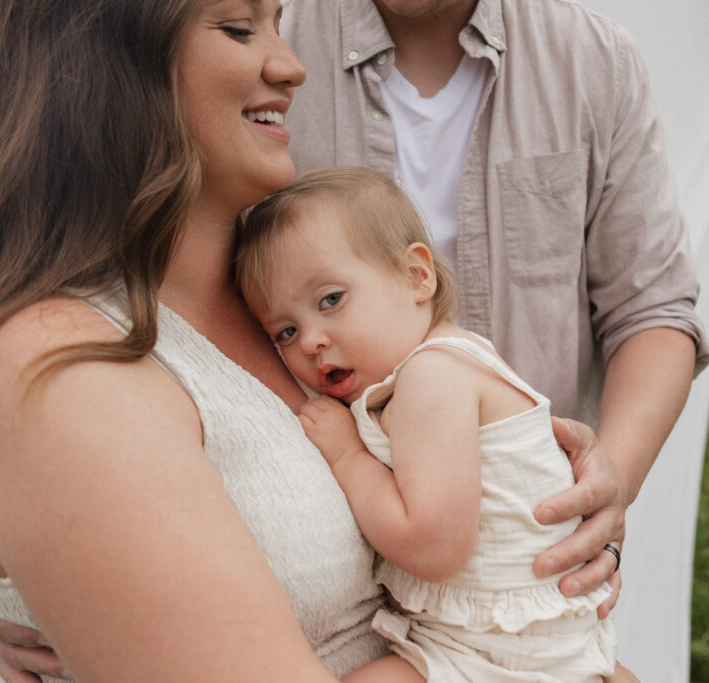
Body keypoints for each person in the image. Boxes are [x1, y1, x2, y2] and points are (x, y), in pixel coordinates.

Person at [0, 0, 416, 680]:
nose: (291, 65)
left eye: (278, 22)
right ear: (101, 58)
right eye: (240, 28)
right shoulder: (56, 367)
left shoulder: (294, 297)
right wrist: (505, 659)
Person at [281, 0, 709, 608]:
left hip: (528, 559)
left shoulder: (593, 60)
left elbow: (652, 310)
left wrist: (603, 489)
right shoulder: (271, 46)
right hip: (320, 557)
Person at [235, 165, 618, 681]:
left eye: (331, 300)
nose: (310, 341)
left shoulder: (432, 377)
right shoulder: (440, 367)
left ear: (417, 276)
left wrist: (347, 456)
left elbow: (433, 546)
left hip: (501, 652)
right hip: (513, 637)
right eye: (284, 330)